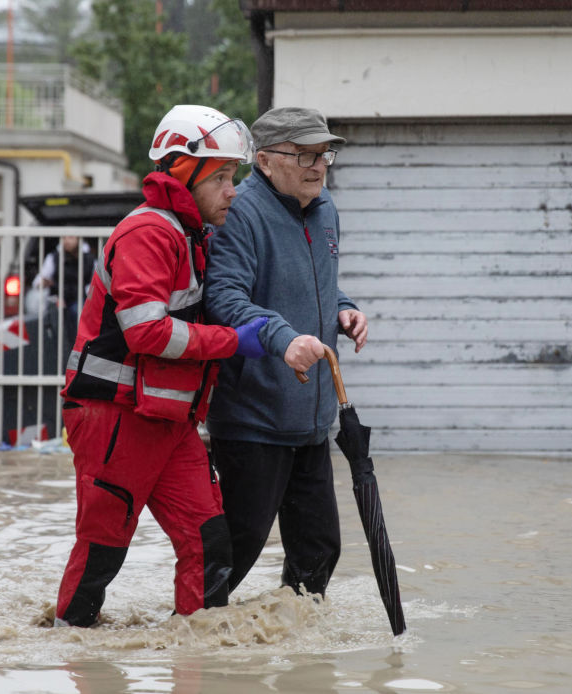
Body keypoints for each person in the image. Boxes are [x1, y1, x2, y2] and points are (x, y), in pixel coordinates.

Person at [53, 105, 268, 627]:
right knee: (102, 551)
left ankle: (196, 661)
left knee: (211, 544)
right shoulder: (149, 233)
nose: (232, 191)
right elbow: (146, 332)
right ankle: (71, 658)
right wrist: (232, 341)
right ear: (182, 173)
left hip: (166, 422)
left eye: (232, 177)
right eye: (221, 177)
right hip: (115, 418)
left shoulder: (189, 234)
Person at [204, 106, 368, 598]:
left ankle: (300, 658)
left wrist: (345, 308)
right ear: (265, 160)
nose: (318, 165)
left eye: (324, 154)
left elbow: (316, 287)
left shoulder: (325, 209)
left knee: (320, 549)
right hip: (253, 419)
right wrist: (282, 337)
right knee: (236, 551)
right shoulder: (240, 212)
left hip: (313, 420)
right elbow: (224, 299)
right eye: (304, 154)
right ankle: (191, 650)